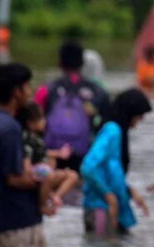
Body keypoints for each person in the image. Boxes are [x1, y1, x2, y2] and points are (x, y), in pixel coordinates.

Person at [0, 63, 49, 247]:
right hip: (18, 221)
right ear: (16, 91)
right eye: (27, 86)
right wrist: (46, 178)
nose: (30, 92)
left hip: (7, 219)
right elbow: (14, 178)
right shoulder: (9, 128)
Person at [80, 89, 152, 236]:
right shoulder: (113, 131)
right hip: (100, 207)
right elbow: (88, 166)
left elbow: (110, 171)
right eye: (140, 115)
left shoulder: (118, 132)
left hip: (109, 208)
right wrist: (108, 195)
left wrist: (130, 191)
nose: (142, 119)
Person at [44, 40, 110, 173]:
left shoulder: (46, 90)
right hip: (87, 156)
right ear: (82, 63)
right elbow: (106, 129)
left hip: (54, 157)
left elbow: (37, 123)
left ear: (59, 62)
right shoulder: (99, 92)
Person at [17, 102, 78, 215]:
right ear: (31, 123)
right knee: (49, 174)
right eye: (40, 119)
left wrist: (59, 153)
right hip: (36, 170)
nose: (44, 121)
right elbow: (27, 158)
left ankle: (55, 197)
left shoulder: (38, 138)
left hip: (44, 169)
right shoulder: (27, 138)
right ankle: (43, 204)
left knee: (73, 176)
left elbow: (44, 152)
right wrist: (28, 172)